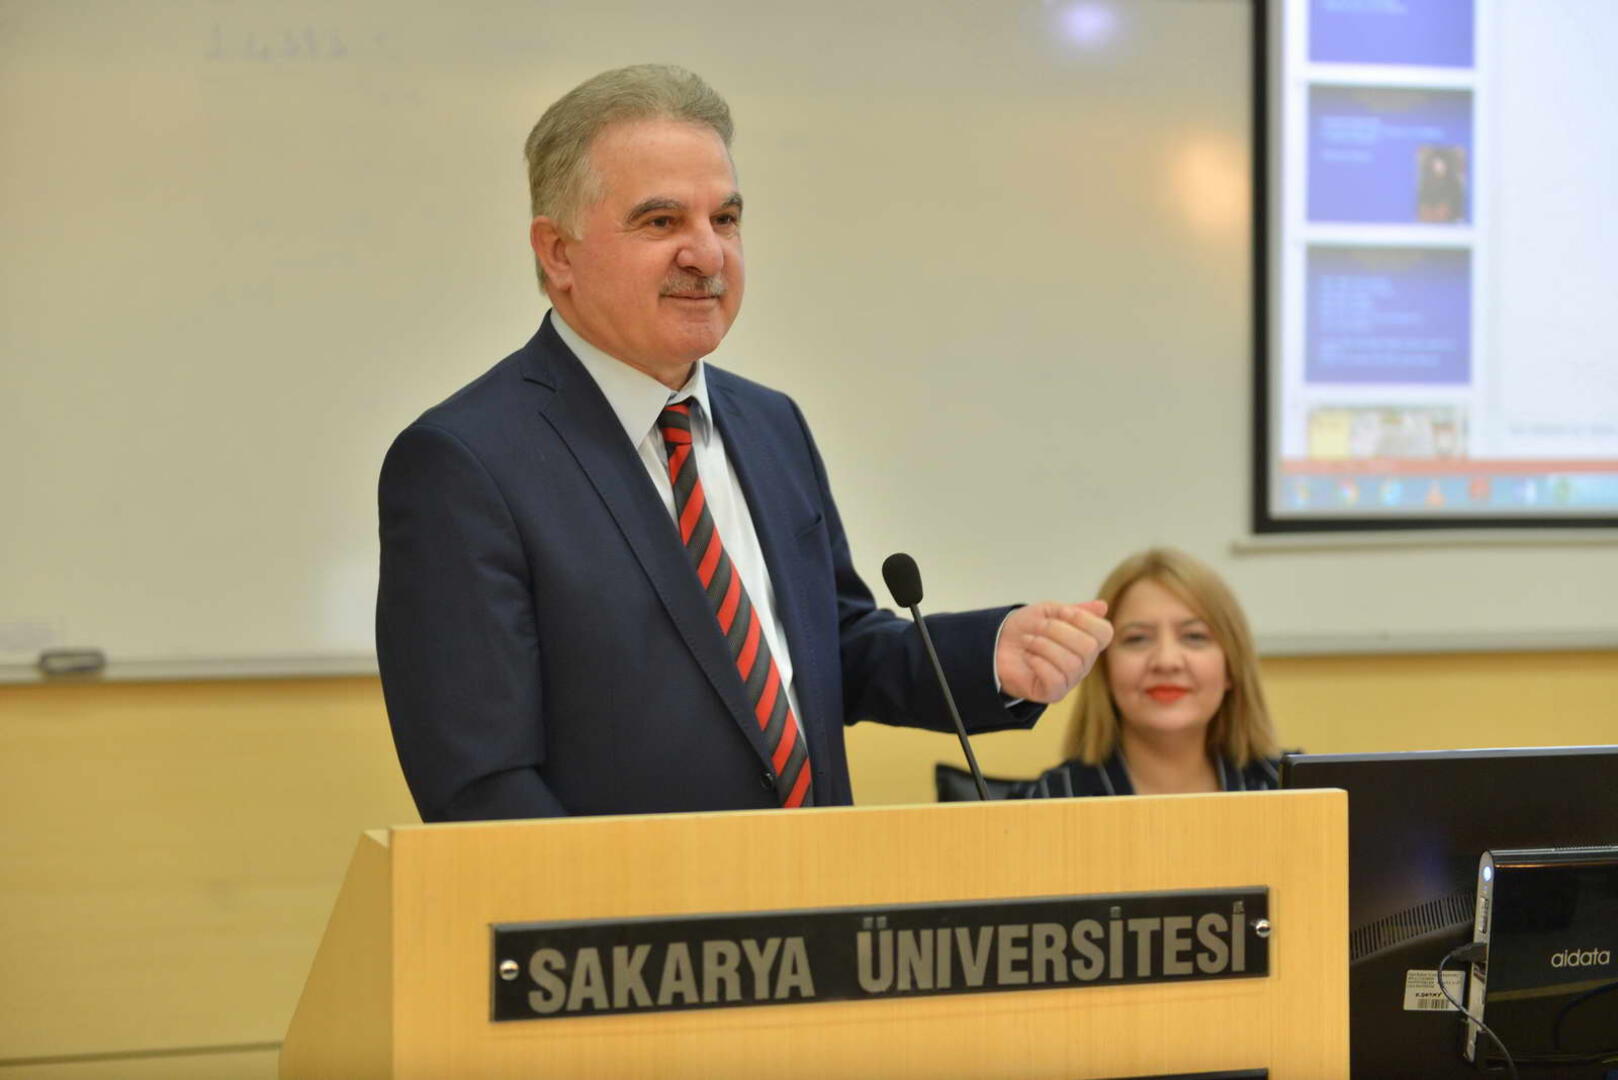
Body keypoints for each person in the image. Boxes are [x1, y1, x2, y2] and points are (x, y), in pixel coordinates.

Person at [375, 64, 1113, 822]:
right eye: (661, 222)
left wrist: (989, 656)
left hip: (817, 884)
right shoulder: (465, 463)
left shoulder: (770, 424)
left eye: (724, 219)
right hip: (631, 899)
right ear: (558, 252)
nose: (707, 255)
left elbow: (833, 647)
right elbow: (480, 781)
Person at [1013, 548, 1282, 798]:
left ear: (1231, 666)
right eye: (1137, 638)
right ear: (1103, 667)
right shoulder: (1045, 801)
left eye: (1194, 636)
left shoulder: (1290, 788)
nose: (1166, 661)